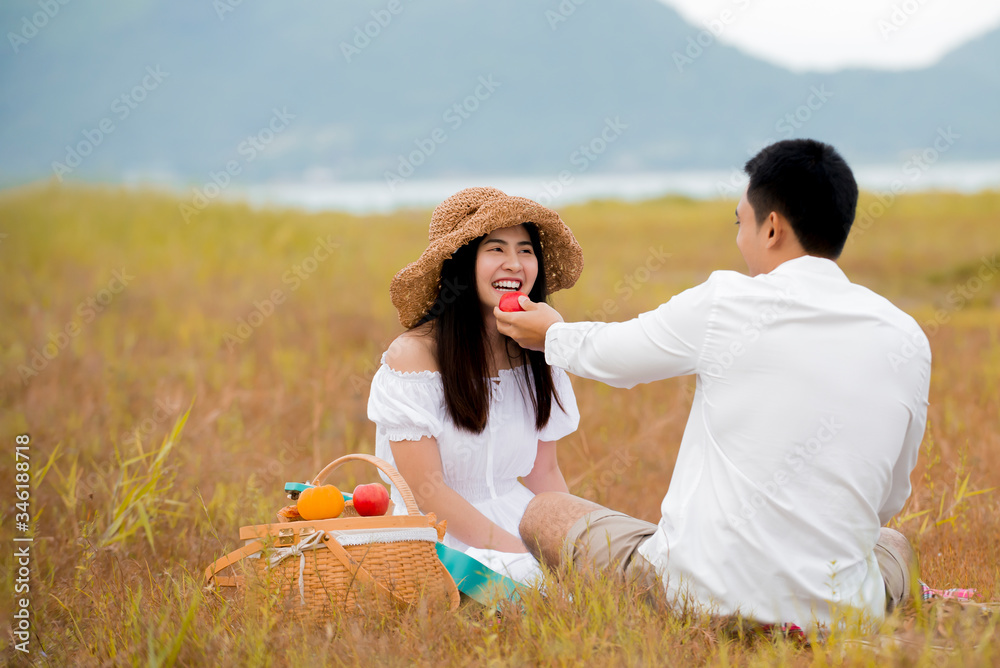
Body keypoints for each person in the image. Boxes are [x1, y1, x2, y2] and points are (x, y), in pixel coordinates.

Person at [495, 139, 930, 630]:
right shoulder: (906, 337)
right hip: (841, 612)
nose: (739, 238)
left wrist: (550, 333)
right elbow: (889, 497)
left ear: (771, 228)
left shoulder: (728, 302)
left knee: (544, 512)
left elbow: (613, 355)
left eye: (739, 222)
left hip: (698, 601)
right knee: (891, 543)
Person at [367, 186, 585, 585]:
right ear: (460, 263)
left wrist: (568, 543)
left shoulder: (537, 350)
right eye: (496, 249)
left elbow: (545, 473)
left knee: (605, 570)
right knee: (534, 584)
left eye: (525, 250)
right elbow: (426, 492)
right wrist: (520, 554)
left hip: (517, 519)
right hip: (437, 535)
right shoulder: (413, 357)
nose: (514, 264)